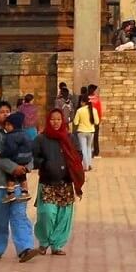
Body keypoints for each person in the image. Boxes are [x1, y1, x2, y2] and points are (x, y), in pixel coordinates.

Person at [0, 100, 37, 262]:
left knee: (19, 215)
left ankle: (25, 248)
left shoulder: (20, 132)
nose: (6, 114)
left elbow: (29, 152)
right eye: (2, 112)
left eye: (8, 111)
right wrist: (14, 168)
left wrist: (27, 167)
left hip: (18, 183)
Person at [32, 107, 85, 255]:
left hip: (65, 182)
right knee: (46, 213)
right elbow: (34, 158)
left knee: (64, 216)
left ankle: (57, 245)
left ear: (63, 121)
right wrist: (45, 164)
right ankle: (44, 242)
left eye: (58, 119)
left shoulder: (70, 138)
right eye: (53, 119)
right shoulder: (41, 139)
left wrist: (71, 164)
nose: (55, 122)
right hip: (48, 182)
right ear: (48, 121)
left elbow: (78, 155)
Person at [0, 111, 33, 204]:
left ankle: (10, 193)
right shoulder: (25, 133)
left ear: (14, 126)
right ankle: (25, 192)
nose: (6, 127)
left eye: (8, 125)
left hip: (17, 158)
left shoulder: (11, 136)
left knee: (11, 173)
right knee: (22, 175)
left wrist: (2, 154)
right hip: (27, 158)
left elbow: (11, 149)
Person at [72, 93, 99, 171]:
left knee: (83, 148)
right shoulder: (94, 110)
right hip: (91, 131)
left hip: (82, 131)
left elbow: (75, 122)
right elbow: (97, 122)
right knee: (89, 148)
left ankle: (85, 166)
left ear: (83, 102)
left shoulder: (80, 110)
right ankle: (89, 164)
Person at [87, 83, 104, 159]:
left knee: (90, 137)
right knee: (95, 137)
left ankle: (90, 151)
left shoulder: (86, 98)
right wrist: (99, 120)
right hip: (95, 120)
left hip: (88, 120)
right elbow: (99, 111)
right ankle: (96, 152)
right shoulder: (96, 99)